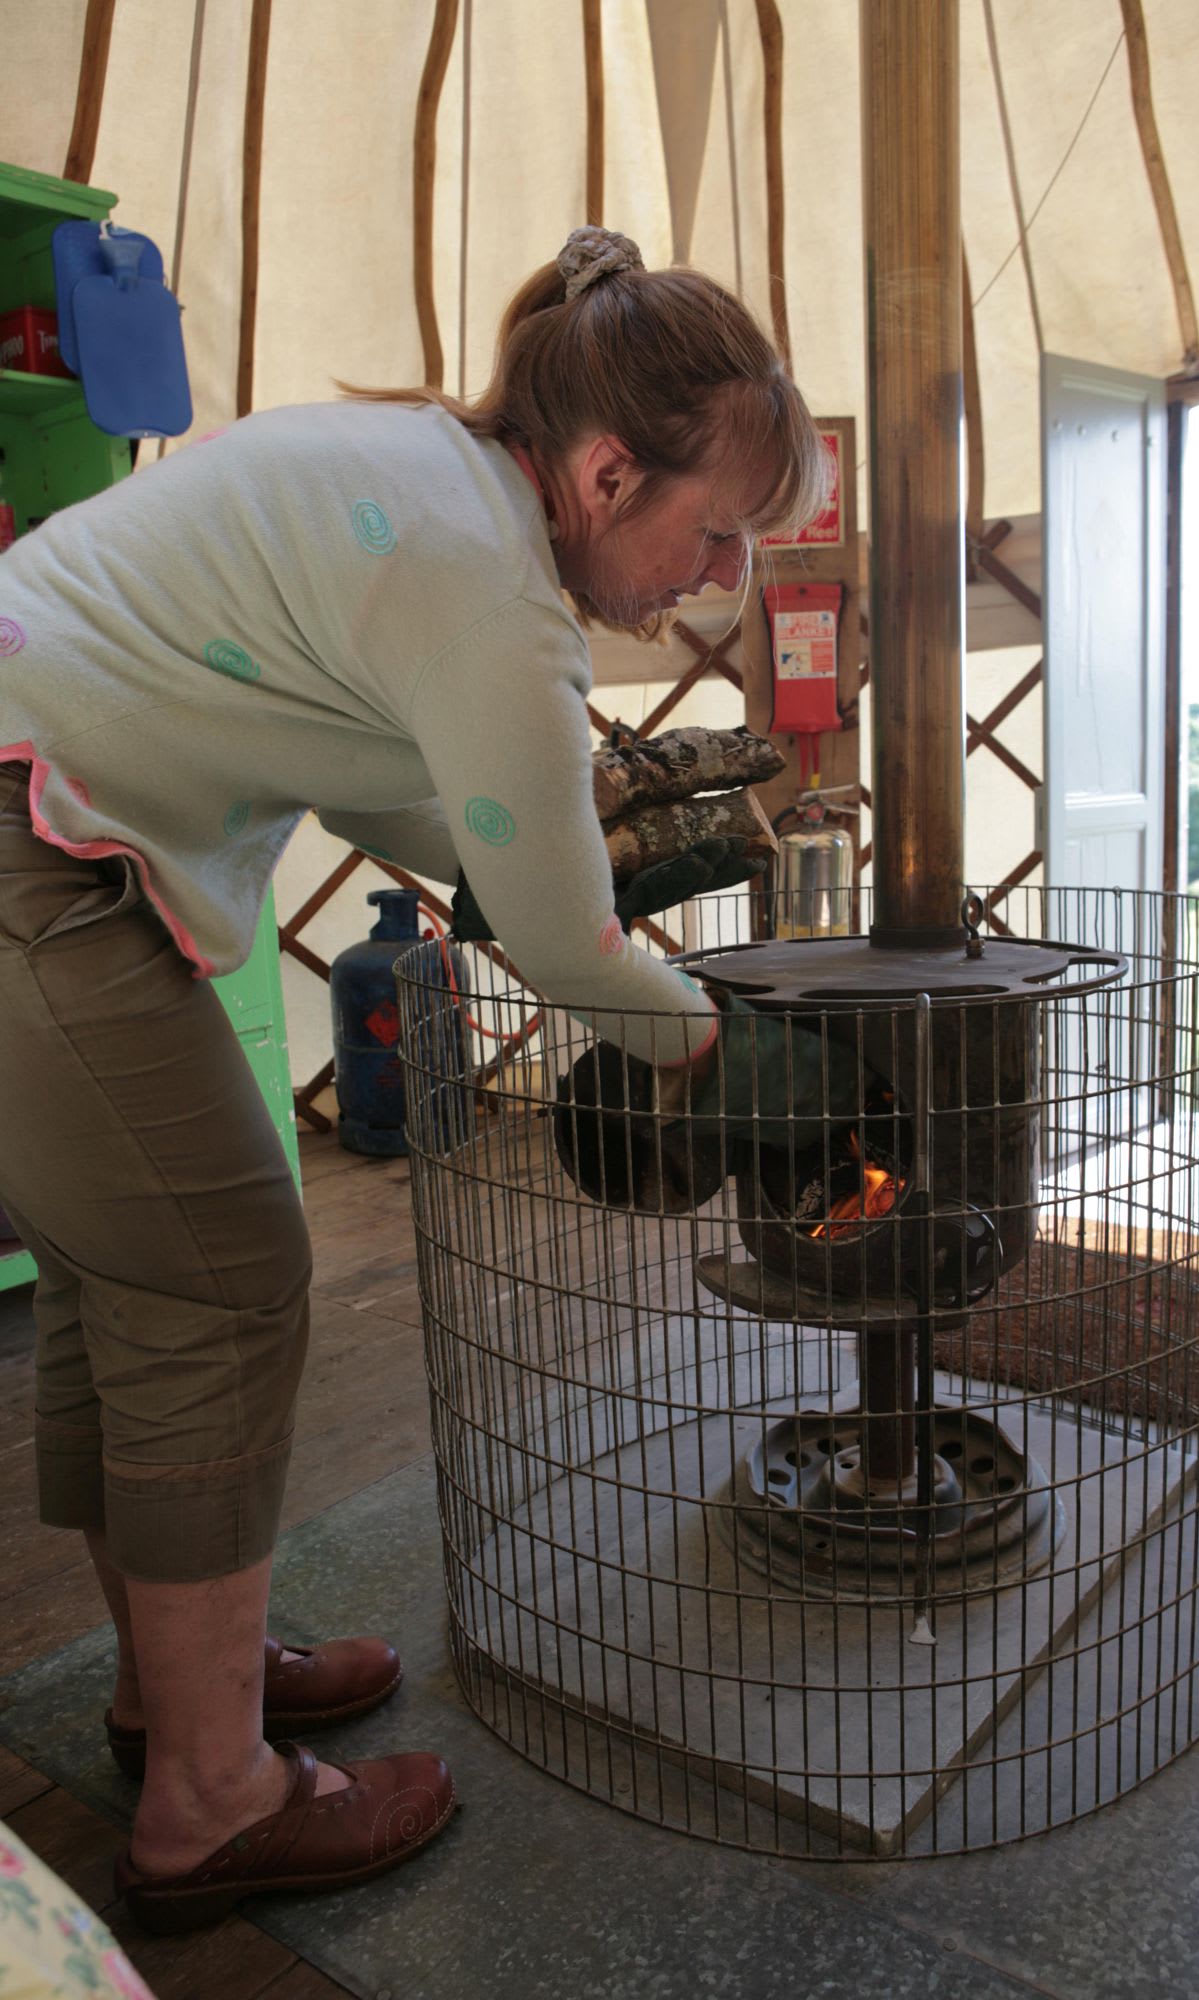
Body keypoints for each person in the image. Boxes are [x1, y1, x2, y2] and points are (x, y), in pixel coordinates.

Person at [0, 224, 826, 1932]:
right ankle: (211, 1806)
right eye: (716, 532)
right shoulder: (488, 582)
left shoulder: (430, 483)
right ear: (607, 474)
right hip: (29, 837)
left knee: (127, 1282)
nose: (717, 579)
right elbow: (569, 957)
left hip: (47, 811)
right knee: (219, 1279)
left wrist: (529, 869)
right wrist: (730, 1052)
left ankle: (179, 1695)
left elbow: (365, 773)